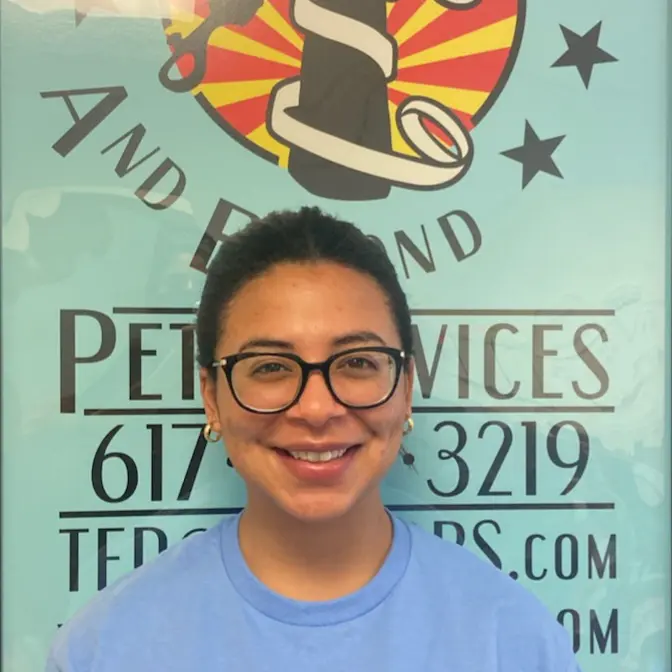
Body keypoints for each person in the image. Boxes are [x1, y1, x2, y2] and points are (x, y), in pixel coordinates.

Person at [47, 207, 581, 671]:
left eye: (356, 362)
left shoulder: (510, 641)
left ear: (407, 386)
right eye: (271, 367)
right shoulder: (108, 647)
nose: (318, 408)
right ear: (211, 395)